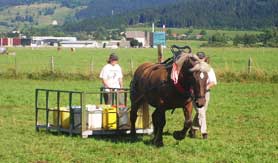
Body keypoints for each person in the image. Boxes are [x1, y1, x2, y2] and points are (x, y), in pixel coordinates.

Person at [190, 52, 217, 139]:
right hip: (195, 94)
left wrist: (205, 88)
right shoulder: (192, 69)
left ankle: (193, 129)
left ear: (205, 58)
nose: (200, 60)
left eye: (202, 58)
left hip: (206, 93)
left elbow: (213, 82)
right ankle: (204, 132)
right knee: (201, 112)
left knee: (201, 112)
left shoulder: (209, 69)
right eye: (199, 58)